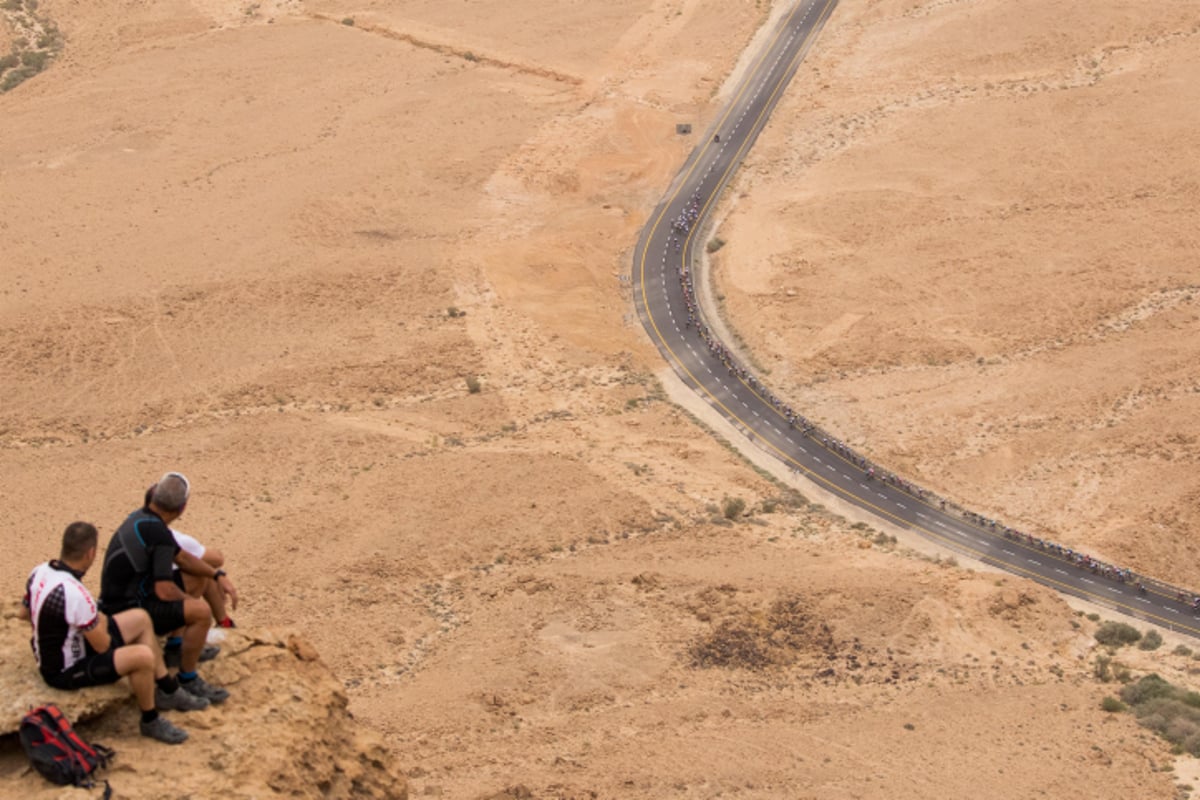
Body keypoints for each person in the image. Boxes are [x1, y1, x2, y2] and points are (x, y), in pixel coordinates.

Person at [22, 522, 208, 745]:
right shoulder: (77, 594)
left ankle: (168, 689)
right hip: (65, 669)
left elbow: (24, 612)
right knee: (142, 657)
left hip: (64, 646)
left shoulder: (40, 571)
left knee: (140, 618)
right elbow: (103, 646)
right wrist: (98, 622)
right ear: (91, 553)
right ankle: (150, 720)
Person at [99, 472, 232, 704]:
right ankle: (188, 678)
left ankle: (175, 648)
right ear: (182, 508)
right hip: (129, 609)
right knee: (201, 613)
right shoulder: (158, 532)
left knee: (196, 578)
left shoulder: (143, 518)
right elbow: (164, 590)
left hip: (121, 598)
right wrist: (192, 605)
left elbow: (183, 559)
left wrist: (216, 575)